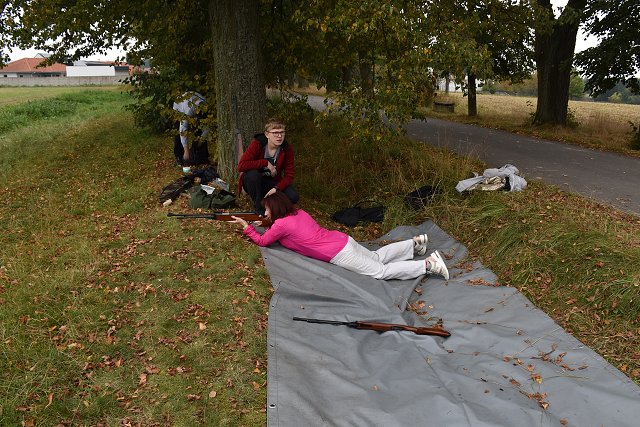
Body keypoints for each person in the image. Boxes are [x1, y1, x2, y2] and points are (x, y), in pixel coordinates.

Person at [231, 192, 449, 281]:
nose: (265, 212)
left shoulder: (280, 225)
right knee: (376, 257)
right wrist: (265, 223)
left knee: (379, 272)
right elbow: (289, 230)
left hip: (337, 253)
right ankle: (414, 244)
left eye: (267, 209)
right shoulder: (298, 213)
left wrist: (246, 227)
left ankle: (427, 265)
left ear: (275, 209)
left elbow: (263, 241)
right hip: (343, 240)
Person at [237, 118, 299, 214]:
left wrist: (276, 188)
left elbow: (289, 176)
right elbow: (241, 166)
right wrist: (265, 163)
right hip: (254, 181)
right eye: (275, 133)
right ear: (267, 134)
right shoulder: (257, 144)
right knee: (253, 175)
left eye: (282, 132)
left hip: (272, 182)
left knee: (293, 197)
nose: (279, 136)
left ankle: (273, 207)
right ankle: (259, 209)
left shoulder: (286, 149)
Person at [172, 91, 210, 166]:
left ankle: (201, 157)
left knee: (199, 132)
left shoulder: (205, 107)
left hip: (192, 102)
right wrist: (186, 150)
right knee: (177, 132)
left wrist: (201, 140)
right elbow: (183, 129)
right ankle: (179, 156)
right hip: (179, 106)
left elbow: (207, 128)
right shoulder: (188, 110)